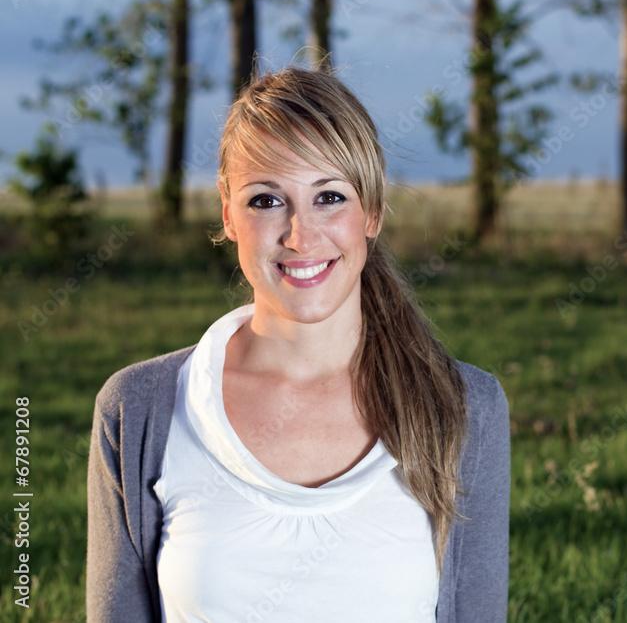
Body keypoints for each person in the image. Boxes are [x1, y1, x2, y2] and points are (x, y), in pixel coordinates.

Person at [86, 67, 511, 622]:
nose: (300, 236)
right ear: (226, 212)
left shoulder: (465, 407)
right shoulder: (139, 409)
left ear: (373, 211)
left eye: (329, 196)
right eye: (266, 201)